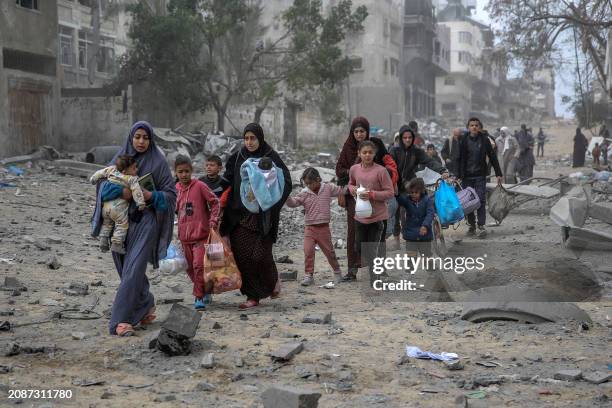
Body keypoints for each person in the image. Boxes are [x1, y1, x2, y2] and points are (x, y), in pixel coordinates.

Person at [92, 121, 176, 337]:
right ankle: (145, 302)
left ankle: (121, 321)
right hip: (119, 223)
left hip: (144, 222)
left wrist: (149, 196)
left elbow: (170, 195)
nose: (141, 141)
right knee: (125, 269)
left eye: (145, 137)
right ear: (131, 138)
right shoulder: (120, 159)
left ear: (151, 140)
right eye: (137, 137)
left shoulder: (158, 163)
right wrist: (122, 192)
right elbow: (102, 183)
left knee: (133, 271)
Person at [220, 123, 291, 309]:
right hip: (240, 216)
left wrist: (272, 205)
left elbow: (286, 182)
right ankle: (252, 296)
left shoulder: (270, 157)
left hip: (263, 218)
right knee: (243, 258)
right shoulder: (237, 158)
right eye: (246, 138)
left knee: (260, 256)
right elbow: (227, 183)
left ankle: (272, 280)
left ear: (260, 138)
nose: (250, 142)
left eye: (253, 138)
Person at [175, 155, 220, 310]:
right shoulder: (176, 190)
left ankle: (198, 297)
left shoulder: (200, 186)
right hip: (184, 237)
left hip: (201, 235)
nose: (184, 175)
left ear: (192, 171)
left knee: (198, 266)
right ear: (176, 173)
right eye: (180, 172)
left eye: (187, 171)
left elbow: (215, 202)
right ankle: (205, 289)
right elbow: (174, 210)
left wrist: (213, 221)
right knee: (188, 267)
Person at [286, 168, 344, 286]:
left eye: (310, 183)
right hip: (310, 228)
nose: (309, 186)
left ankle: (337, 272)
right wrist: (286, 197)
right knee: (308, 252)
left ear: (318, 179)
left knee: (329, 252)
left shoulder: (327, 188)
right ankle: (309, 276)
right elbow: (293, 203)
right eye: (306, 184)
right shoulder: (304, 193)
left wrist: (352, 189)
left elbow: (340, 190)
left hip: (323, 228)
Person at [346, 140, 395, 282]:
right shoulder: (354, 169)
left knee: (372, 249)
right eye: (364, 152)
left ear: (374, 154)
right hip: (360, 216)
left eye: (370, 152)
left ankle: (376, 279)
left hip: (377, 217)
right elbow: (350, 183)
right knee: (360, 247)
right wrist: (352, 189)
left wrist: (372, 194)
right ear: (359, 154)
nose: (367, 155)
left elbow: (390, 192)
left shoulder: (381, 171)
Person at [389, 125, 444, 248]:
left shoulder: (416, 151)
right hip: (396, 185)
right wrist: (392, 183)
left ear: (413, 138)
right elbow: (389, 168)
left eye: (410, 137)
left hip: (411, 184)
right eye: (405, 137)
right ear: (401, 138)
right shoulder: (394, 150)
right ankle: (396, 239)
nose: (407, 140)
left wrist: (442, 170)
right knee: (396, 212)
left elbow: (429, 161)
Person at [335, 116, 370, 279]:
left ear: (367, 132)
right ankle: (352, 269)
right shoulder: (348, 147)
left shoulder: (372, 148)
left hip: (370, 195)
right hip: (352, 196)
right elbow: (339, 169)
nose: (359, 134)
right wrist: (353, 171)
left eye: (362, 131)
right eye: (356, 131)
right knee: (352, 232)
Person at [90, 154, 146, 254]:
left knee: (107, 223)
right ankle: (117, 244)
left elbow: (99, 173)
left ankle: (103, 240)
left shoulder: (112, 169)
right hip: (119, 209)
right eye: (134, 168)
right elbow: (137, 191)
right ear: (124, 171)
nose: (136, 170)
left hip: (106, 207)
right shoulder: (131, 179)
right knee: (122, 224)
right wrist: (140, 203)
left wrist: (93, 179)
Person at [458, 117, 503, 237]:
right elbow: (459, 158)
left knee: (481, 200)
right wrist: (457, 175)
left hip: (480, 175)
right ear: (468, 127)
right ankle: (472, 226)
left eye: (476, 125)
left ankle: (481, 225)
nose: (474, 127)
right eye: (471, 125)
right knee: (468, 202)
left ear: (479, 127)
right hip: (466, 176)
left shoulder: (484, 140)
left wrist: (498, 173)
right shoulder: (463, 140)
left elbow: (492, 157)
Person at [369, 137, 399, 240]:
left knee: (389, 219)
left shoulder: (385, 157)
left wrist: (385, 176)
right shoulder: (366, 158)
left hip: (386, 192)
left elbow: (393, 171)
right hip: (372, 194)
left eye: (375, 147)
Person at [396, 177, 434, 258]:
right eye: (411, 192)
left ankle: (431, 268)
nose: (413, 194)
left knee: (427, 255)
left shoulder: (427, 200)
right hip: (410, 234)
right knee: (411, 256)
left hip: (425, 235)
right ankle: (410, 269)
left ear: (421, 191)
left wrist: (425, 225)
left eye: (416, 192)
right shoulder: (407, 200)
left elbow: (430, 214)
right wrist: (397, 194)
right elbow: (400, 200)